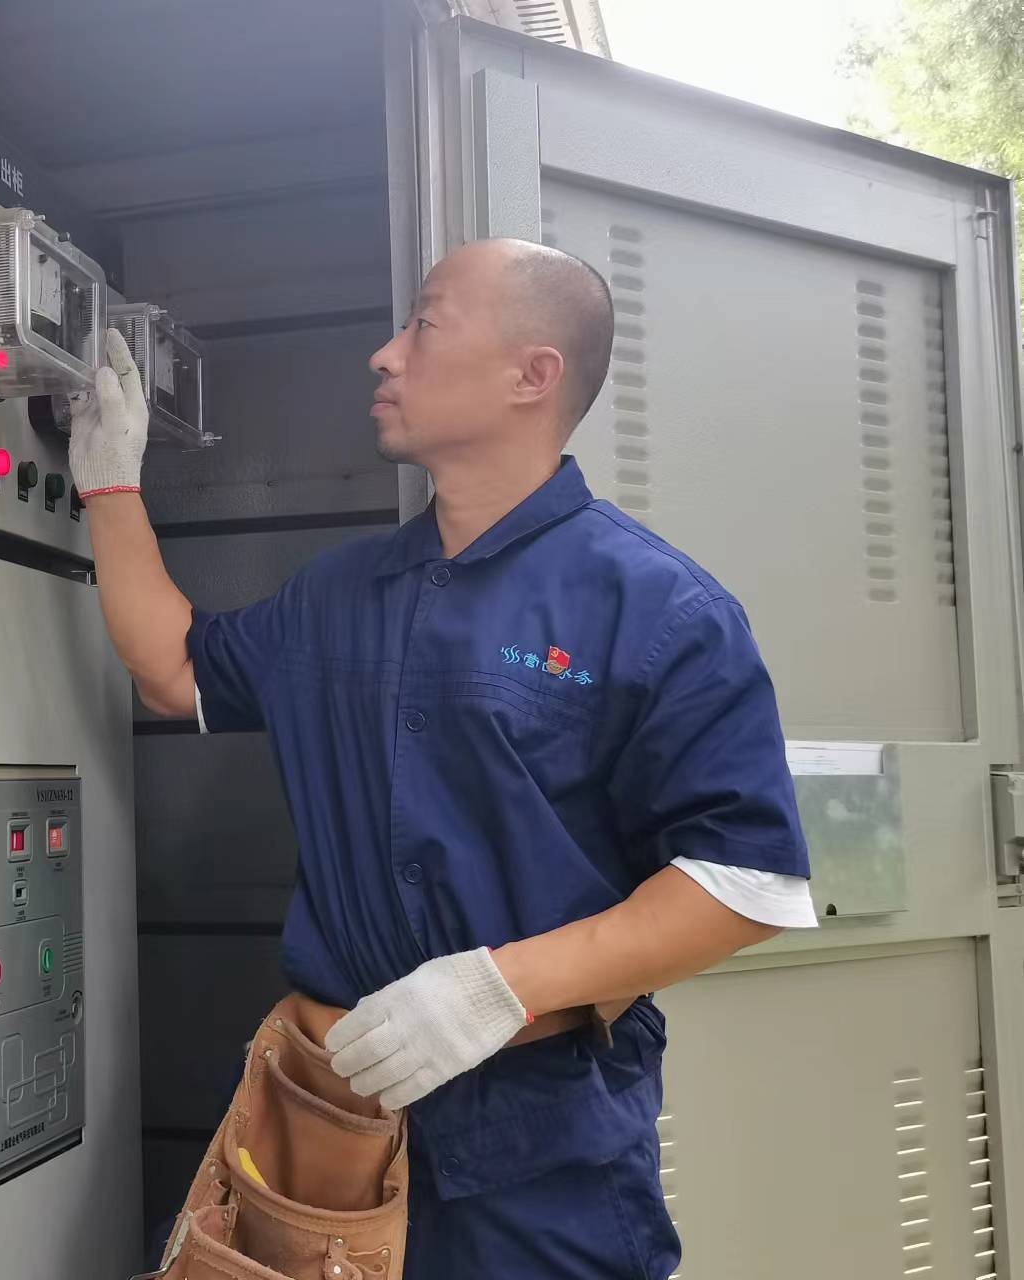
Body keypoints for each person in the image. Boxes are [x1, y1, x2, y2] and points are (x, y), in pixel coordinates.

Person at [69, 238, 817, 1279]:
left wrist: (492, 988)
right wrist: (111, 487)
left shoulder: (656, 608)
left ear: (531, 374)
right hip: (328, 1131)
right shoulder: (340, 592)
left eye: (424, 325)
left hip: (540, 1162)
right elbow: (175, 669)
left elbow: (743, 882)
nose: (384, 354)